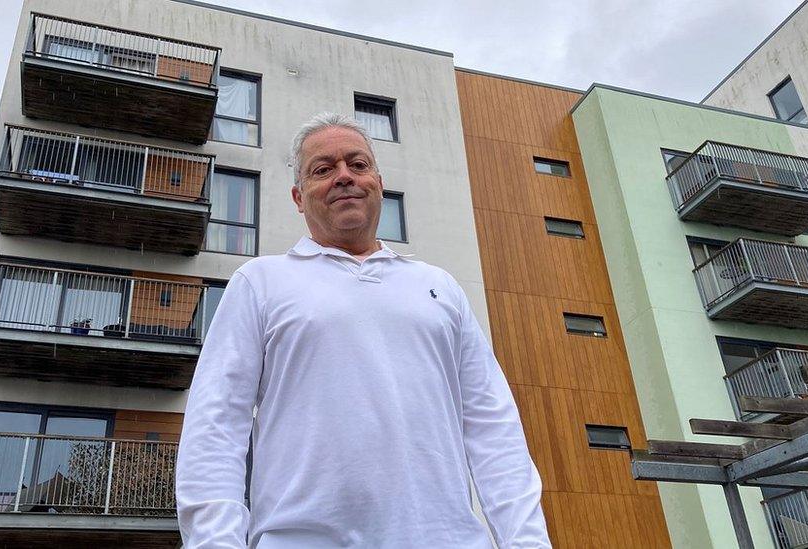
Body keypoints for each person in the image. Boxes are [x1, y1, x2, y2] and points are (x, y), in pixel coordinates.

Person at [175, 112, 550, 548]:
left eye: (358, 164)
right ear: (298, 197)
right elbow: (216, 424)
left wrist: (527, 543)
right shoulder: (259, 283)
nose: (344, 177)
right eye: (323, 169)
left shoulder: (439, 287)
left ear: (379, 184)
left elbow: (492, 426)